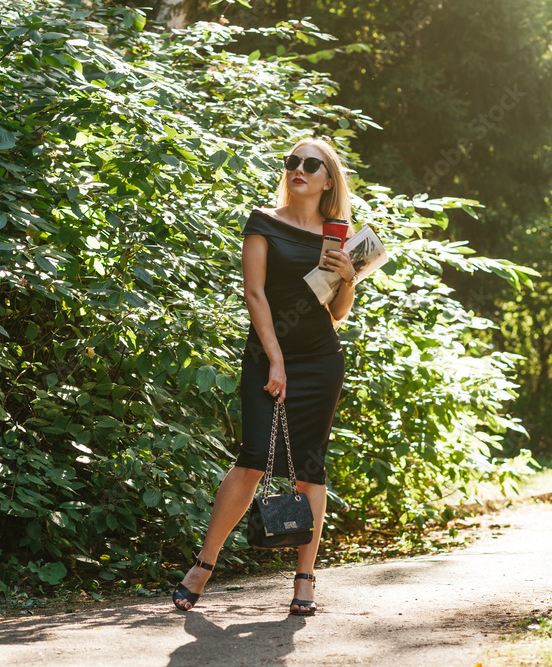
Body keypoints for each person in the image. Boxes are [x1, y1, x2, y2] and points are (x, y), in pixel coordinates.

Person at [172, 137, 359, 616]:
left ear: (327, 179)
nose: (299, 168)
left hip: (320, 359)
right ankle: (203, 565)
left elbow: (335, 314)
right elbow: (254, 294)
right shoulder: (263, 222)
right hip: (266, 356)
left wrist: (349, 280)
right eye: (292, 161)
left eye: (311, 164)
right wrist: (275, 360)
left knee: (310, 466)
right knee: (253, 459)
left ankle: (305, 579)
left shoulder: (335, 236)